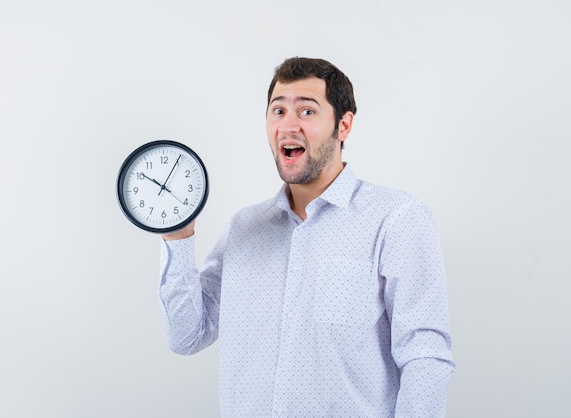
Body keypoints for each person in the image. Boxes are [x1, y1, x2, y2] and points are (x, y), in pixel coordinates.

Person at [158, 57, 455, 417]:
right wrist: (177, 235)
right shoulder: (243, 229)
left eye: (307, 112)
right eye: (278, 110)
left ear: (343, 126)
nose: (288, 125)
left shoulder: (396, 219)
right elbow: (188, 335)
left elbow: (425, 355)